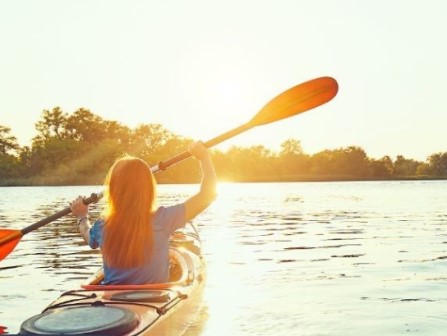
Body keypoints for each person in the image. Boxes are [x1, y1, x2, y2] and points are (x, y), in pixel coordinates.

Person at [69, 141, 217, 285]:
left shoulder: (102, 226)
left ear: (113, 191)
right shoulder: (163, 219)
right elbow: (207, 195)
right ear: (148, 189)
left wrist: (82, 216)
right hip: (155, 299)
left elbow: (88, 236)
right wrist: (204, 158)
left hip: (111, 300)